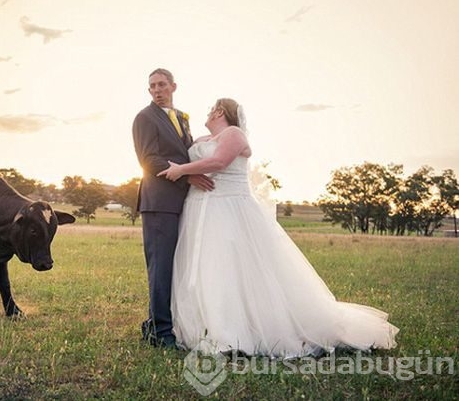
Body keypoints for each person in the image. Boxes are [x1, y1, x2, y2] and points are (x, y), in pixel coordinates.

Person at [158, 98, 399, 357]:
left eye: (210, 109)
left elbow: (219, 163)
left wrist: (182, 170)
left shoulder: (234, 134)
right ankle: (203, 326)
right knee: (207, 267)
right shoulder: (199, 141)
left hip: (228, 209)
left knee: (231, 267)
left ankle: (238, 330)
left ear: (219, 111)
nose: (207, 113)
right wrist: (185, 172)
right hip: (198, 210)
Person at [132, 68, 214, 349]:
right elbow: (149, 160)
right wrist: (187, 175)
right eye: (152, 85)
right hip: (159, 203)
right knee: (161, 267)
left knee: (177, 265)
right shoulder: (144, 118)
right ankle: (161, 332)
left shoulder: (181, 117)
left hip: (182, 201)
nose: (157, 89)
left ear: (173, 86)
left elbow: (185, 151)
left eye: (162, 84)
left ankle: (154, 323)